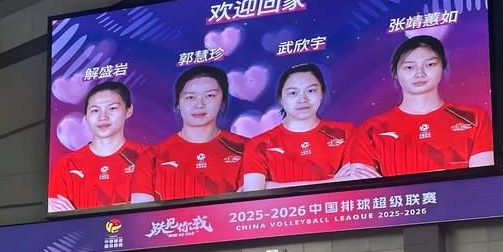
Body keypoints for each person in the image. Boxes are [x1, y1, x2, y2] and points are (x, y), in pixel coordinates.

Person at [346, 35, 494, 178]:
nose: (419, 74)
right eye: (409, 67)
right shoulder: (370, 129)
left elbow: (481, 181)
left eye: (430, 65)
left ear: (443, 66)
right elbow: (366, 188)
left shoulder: (474, 117)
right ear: (395, 72)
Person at [131, 65, 247, 202]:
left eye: (210, 95)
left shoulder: (247, 149)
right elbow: (142, 212)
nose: (199, 105)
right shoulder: (152, 158)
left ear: (222, 100)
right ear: (178, 104)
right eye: (190, 97)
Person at [242, 63, 366, 191]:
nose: (303, 99)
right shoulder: (259, 145)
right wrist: (334, 182)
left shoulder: (347, 132)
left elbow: (357, 182)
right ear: (280, 98)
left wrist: (272, 187)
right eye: (293, 93)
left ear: (322, 93)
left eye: (311, 90)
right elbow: (254, 194)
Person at [48, 81, 149, 212]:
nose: (103, 117)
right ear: (86, 116)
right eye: (95, 110)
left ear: (128, 111)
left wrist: (77, 214)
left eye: (112, 108)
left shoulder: (148, 157)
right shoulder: (68, 164)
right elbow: (56, 212)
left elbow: (153, 214)